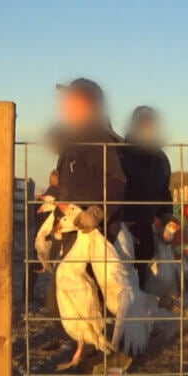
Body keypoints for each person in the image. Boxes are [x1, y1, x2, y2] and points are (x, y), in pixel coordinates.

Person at [53, 78, 127, 253]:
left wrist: (98, 211)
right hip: (76, 234)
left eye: (71, 100)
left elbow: (117, 181)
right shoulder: (75, 140)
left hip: (97, 238)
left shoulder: (97, 139)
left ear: (88, 105)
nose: (65, 105)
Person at [119, 106, 173, 288]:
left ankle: (139, 310)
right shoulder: (120, 154)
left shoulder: (161, 160)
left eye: (152, 124)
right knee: (119, 277)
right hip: (121, 228)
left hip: (146, 228)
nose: (149, 128)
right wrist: (115, 219)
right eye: (145, 124)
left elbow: (164, 191)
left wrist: (166, 214)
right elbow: (111, 188)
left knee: (143, 272)